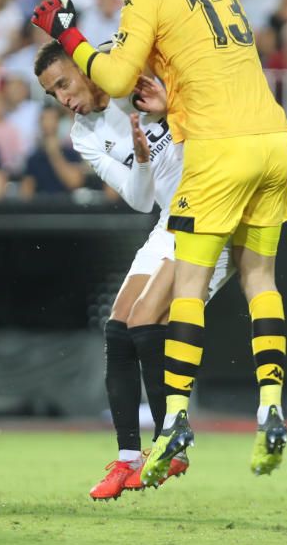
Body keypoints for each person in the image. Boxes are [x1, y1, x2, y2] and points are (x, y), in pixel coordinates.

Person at [31, 0, 287, 483]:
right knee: (127, 323)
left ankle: (173, 427)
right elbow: (141, 192)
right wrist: (156, 132)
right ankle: (148, 448)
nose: (65, 98)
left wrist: (72, 36)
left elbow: (121, 77)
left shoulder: (139, 24)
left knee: (174, 301)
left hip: (214, 172)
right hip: (267, 141)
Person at [33, 40, 233, 498]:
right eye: (51, 93)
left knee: (146, 320)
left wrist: (164, 116)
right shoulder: (83, 134)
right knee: (118, 328)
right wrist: (142, 159)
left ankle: (171, 442)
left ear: (86, 68)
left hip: (211, 209)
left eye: (64, 82)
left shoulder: (135, 79)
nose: (62, 98)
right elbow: (140, 199)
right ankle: (128, 458)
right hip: (168, 218)